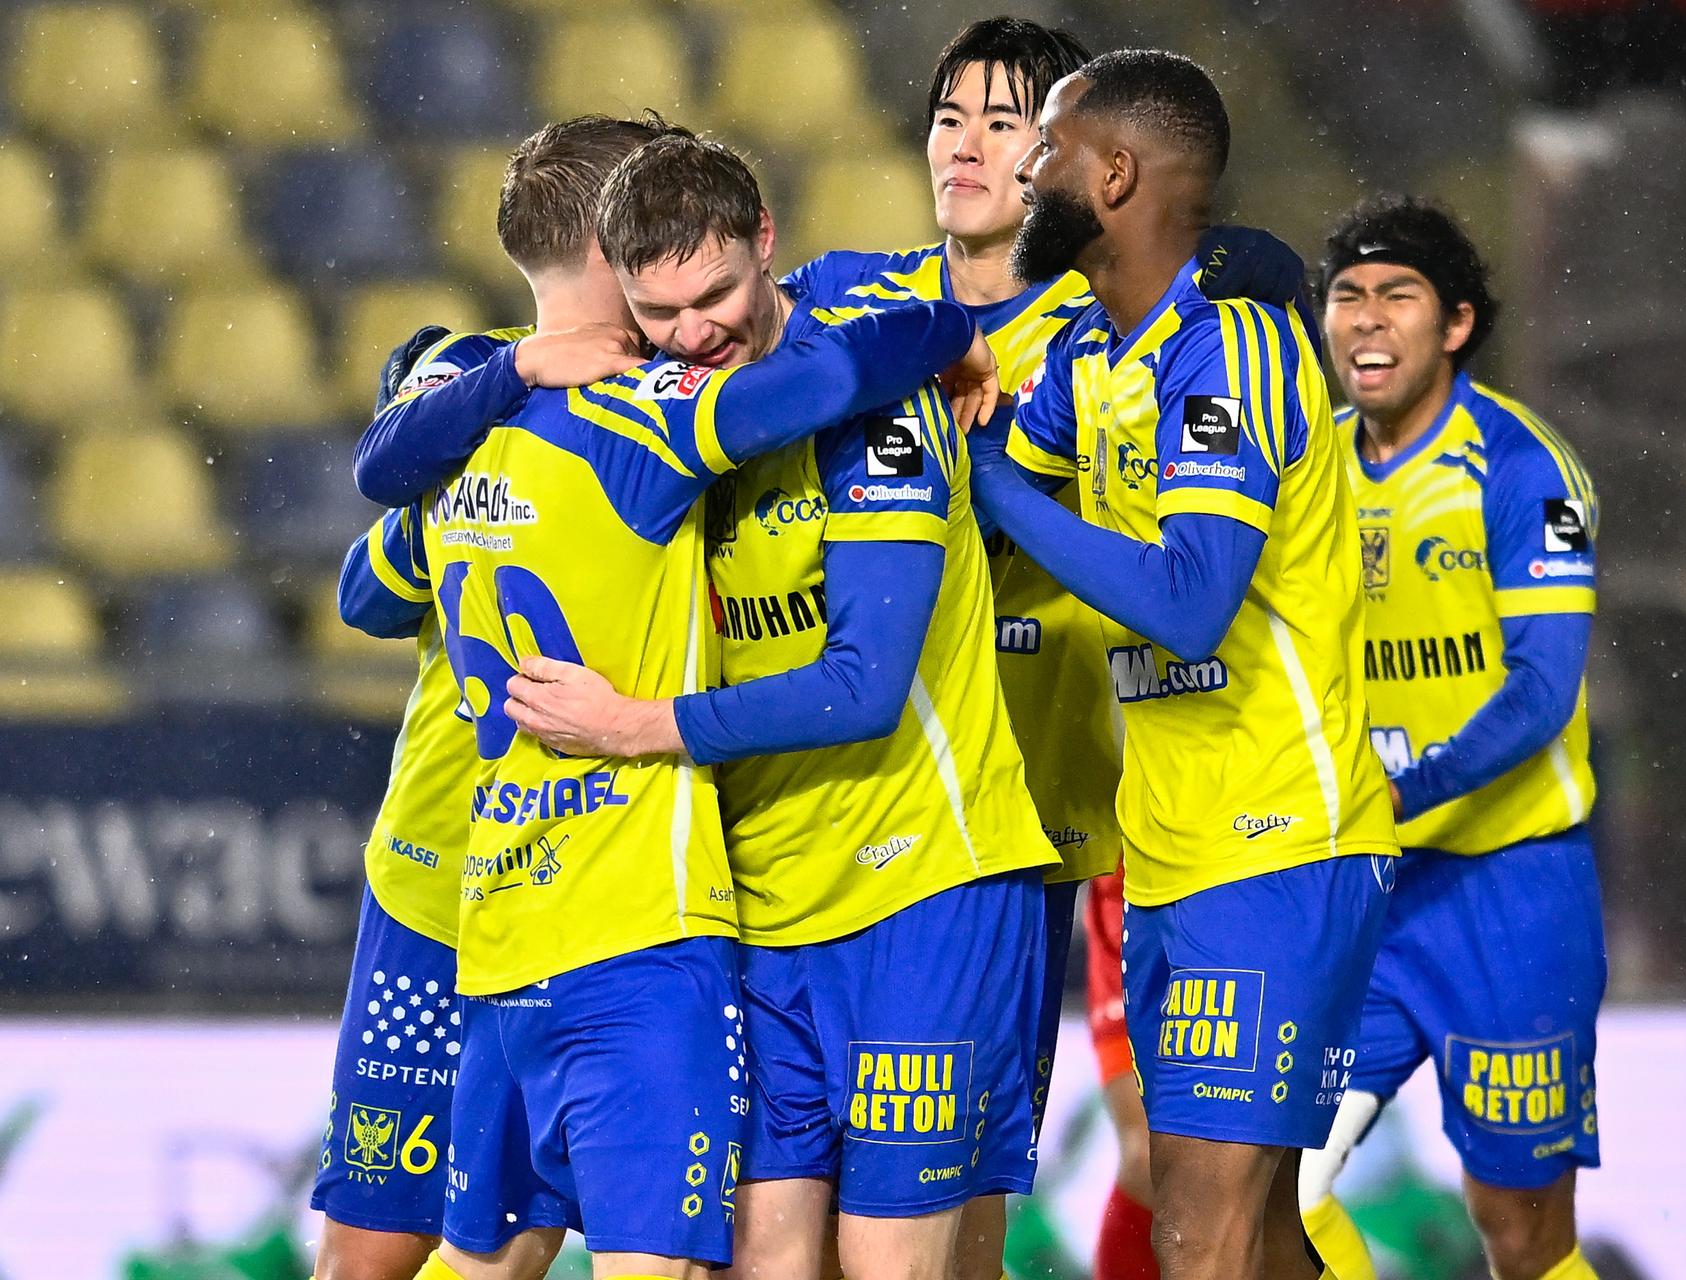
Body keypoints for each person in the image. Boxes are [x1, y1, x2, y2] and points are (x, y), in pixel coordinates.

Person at [358, 132, 1043, 1280]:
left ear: (766, 241)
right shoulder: (653, 422)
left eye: (715, 295)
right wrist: (517, 372)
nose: (693, 332)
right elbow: (368, 551)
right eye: (661, 312)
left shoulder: (868, 409)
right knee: (761, 1258)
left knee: (893, 1261)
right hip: (754, 906)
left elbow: (864, 686)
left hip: (919, 883)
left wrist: (638, 722)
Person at [786, 20, 1320, 1276]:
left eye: (1007, 124)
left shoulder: (1105, 324)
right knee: (792, 1215)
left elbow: (1239, 319)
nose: (971, 148)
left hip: (1023, 826)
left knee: (964, 1210)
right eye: (948, 118)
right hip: (826, 801)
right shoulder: (845, 298)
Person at [968, 49, 1400, 1280]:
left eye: (1047, 146)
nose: (1022, 167)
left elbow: (1192, 602)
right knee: (1252, 1235)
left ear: (1114, 174)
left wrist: (996, 481)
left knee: (1198, 1232)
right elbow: (991, 514)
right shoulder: (1092, 355)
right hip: (1167, 847)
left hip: (1277, 835)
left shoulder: (1234, 346)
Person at [310, 113, 691, 1280]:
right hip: (453, 874)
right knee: (389, 1247)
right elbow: (368, 589)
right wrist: (503, 399)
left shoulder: (676, 398)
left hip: (587, 883)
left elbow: (372, 583)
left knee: (518, 1237)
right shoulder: (478, 374)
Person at [1302, 194, 1605, 1280]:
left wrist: (1406, 789)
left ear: (1458, 323)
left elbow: (1543, 691)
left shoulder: (1523, 467)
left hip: (1510, 892)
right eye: (1347, 296)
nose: (1367, 320)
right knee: (1283, 1188)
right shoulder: (1306, 467)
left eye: (1398, 296)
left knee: (1520, 1233)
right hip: (1363, 894)